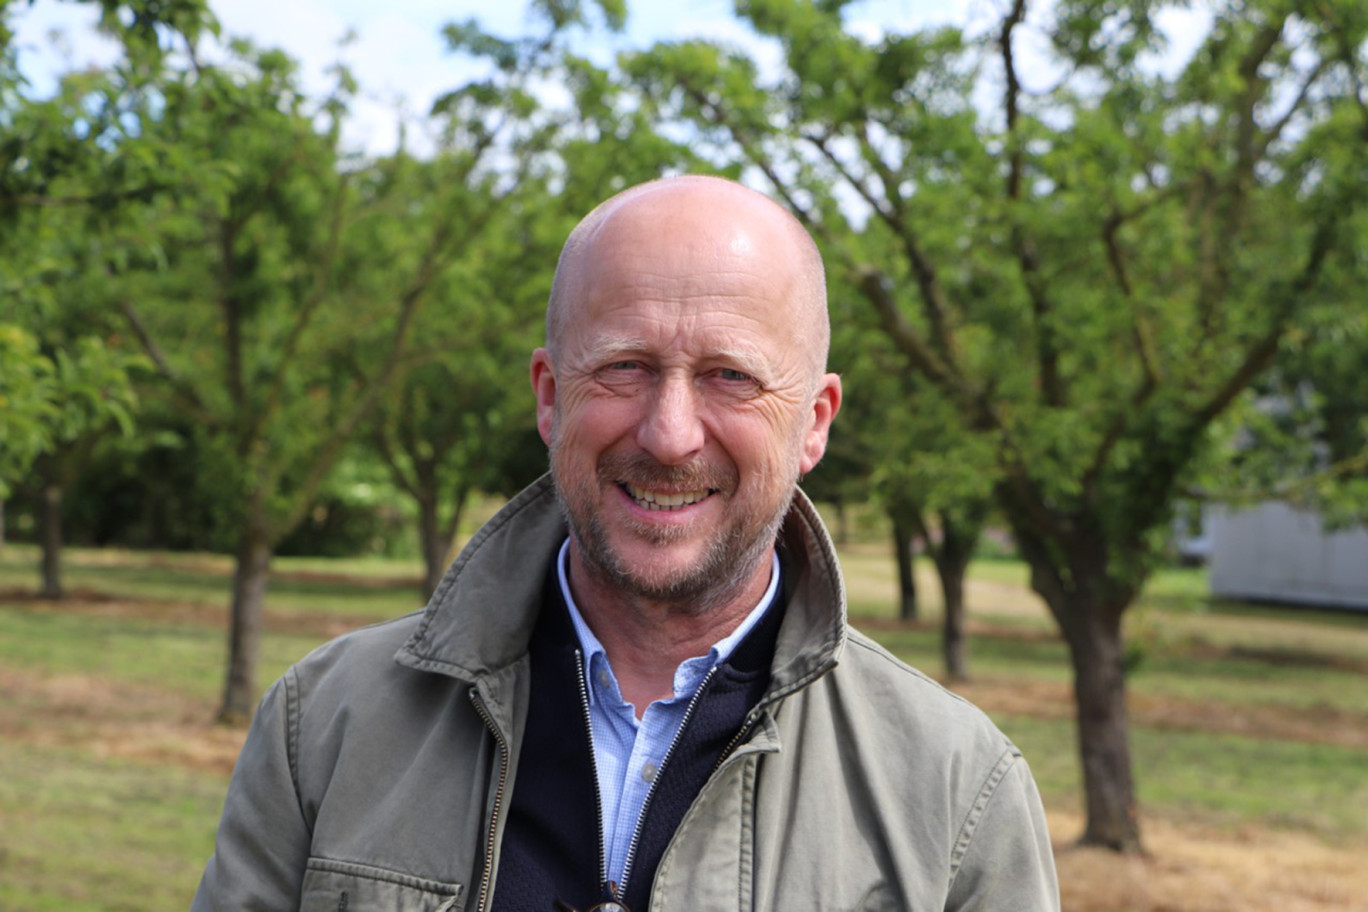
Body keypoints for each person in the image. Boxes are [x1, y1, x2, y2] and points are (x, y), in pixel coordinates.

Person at [192, 175, 1059, 911]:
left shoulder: (958, 792)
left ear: (813, 423)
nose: (671, 434)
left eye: (730, 375)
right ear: (548, 395)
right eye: (624, 367)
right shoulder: (325, 726)